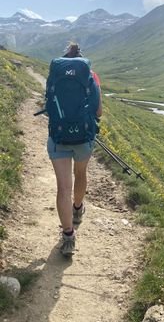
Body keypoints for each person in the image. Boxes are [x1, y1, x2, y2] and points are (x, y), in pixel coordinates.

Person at [46, 42, 102, 256]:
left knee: (63, 188)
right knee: (80, 173)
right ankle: (78, 209)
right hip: (83, 138)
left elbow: (50, 106)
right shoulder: (91, 75)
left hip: (58, 137)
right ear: (82, 57)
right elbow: (98, 112)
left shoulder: (55, 74)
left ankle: (68, 237)